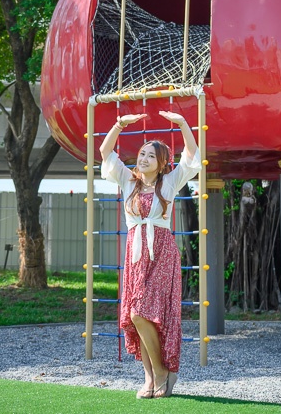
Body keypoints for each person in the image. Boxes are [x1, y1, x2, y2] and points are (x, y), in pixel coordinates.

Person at [99, 110, 200, 399]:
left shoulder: (169, 182)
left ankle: (160, 372)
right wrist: (119, 124)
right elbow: (105, 151)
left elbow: (192, 154)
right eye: (142, 154)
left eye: (150, 156)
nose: (143, 159)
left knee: (145, 313)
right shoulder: (127, 181)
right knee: (136, 316)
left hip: (162, 252)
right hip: (135, 255)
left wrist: (181, 123)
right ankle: (151, 376)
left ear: (161, 163)